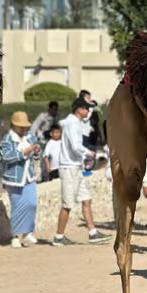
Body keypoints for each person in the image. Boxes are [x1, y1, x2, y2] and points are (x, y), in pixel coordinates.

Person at [54, 97, 110, 245]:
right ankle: (59, 237)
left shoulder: (74, 122)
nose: (88, 111)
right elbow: (75, 146)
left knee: (86, 199)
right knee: (67, 205)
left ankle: (92, 233)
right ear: (79, 109)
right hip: (69, 168)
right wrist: (88, 153)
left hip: (76, 168)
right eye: (86, 108)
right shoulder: (72, 123)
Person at [0, 111, 41, 248]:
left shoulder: (30, 137)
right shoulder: (7, 139)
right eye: (20, 126)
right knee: (17, 206)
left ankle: (28, 231)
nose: (23, 129)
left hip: (29, 176)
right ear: (13, 125)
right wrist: (24, 153)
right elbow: (5, 157)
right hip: (14, 178)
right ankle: (16, 236)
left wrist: (35, 152)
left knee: (32, 203)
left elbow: (36, 155)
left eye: (24, 126)